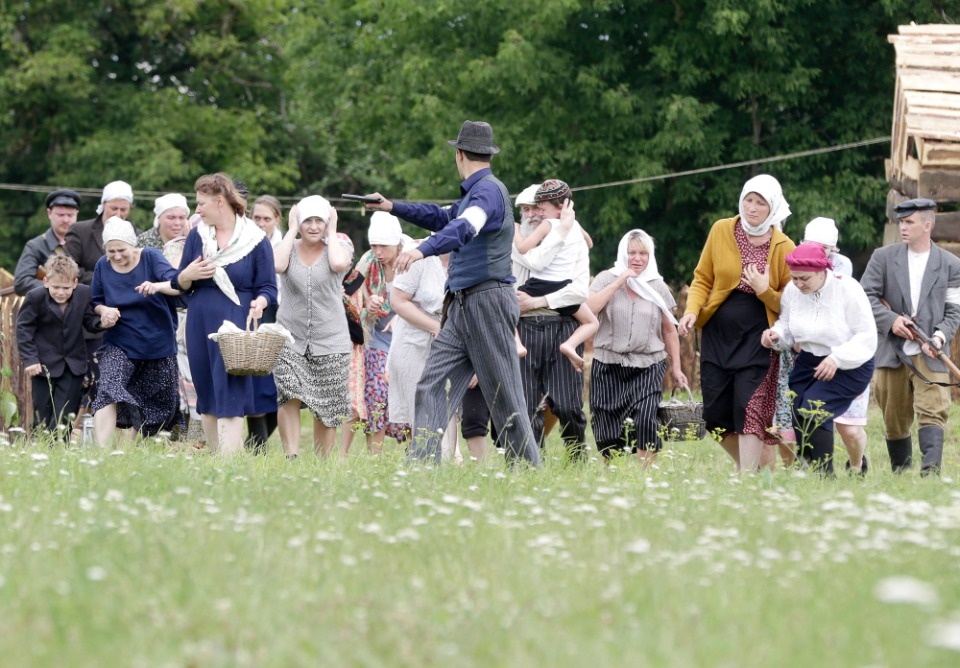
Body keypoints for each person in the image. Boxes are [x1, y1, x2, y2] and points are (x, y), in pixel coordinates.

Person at [363, 120, 540, 466]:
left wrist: (421, 249)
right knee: (431, 385)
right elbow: (441, 215)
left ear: (459, 154)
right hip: (460, 304)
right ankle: (422, 466)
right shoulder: (474, 193)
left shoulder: (489, 192)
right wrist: (391, 206)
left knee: (504, 393)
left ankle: (528, 469)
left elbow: (464, 227)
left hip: (488, 300)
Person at [677, 174, 795, 472]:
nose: (752, 208)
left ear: (773, 208)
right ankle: (755, 469)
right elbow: (702, 277)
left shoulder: (783, 246)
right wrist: (692, 310)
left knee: (748, 408)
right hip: (718, 332)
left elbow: (793, 303)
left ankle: (746, 480)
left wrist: (763, 290)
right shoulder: (721, 229)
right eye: (748, 200)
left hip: (760, 336)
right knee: (715, 415)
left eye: (760, 203)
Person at [172, 173, 278, 455]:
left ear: (220, 201)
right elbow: (179, 283)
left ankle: (229, 461)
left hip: (235, 318)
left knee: (230, 390)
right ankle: (215, 457)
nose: (197, 210)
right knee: (205, 391)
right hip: (199, 317)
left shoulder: (255, 240)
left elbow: (268, 287)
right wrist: (187, 275)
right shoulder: (197, 235)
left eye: (201, 203)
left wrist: (261, 302)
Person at [860, 198, 960, 475]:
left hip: (931, 351)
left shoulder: (951, 264)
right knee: (893, 416)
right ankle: (901, 474)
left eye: (909, 222)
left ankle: (930, 472)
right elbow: (864, 295)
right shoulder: (883, 257)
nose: (903, 227)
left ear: (927, 225)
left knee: (933, 409)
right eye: (901, 222)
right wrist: (891, 321)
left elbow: (954, 310)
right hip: (892, 352)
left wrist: (939, 338)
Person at [761, 243, 876, 474]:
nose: (798, 284)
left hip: (850, 362)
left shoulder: (848, 289)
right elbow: (787, 325)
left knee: (814, 410)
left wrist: (837, 359)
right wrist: (776, 335)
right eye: (794, 278)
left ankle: (826, 475)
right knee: (798, 413)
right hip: (809, 360)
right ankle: (810, 468)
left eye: (804, 278)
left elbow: (867, 335)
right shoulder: (793, 291)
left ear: (822, 271)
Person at [585, 230, 687, 463]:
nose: (637, 258)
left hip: (648, 363)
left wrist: (677, 368)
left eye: (643, 253)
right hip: (608, 362)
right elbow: (589, 308)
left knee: (647, 417)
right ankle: (611, 472)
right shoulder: (605, 278)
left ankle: (646, 477)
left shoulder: (657, 286)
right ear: (623, 254)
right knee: (606, 422)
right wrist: (621, 279)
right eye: (632, 253)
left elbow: (670, 330)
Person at [512, 179, 592, 459]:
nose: (534, 214)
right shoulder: (516, 239)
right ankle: (531, 463)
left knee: (568, 405)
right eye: (527, 209)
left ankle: (577, 459)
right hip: (525, 327)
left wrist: (540, 301)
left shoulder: (569, 235)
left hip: (562, 324)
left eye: (538, 207)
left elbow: (578, 290)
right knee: (527, 403)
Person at [90, 217, 182, 447]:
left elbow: (176, 283)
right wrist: (104, 311)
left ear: (133, 245)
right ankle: (101, 451)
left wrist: (156, 286)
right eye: (111, 251)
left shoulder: (150, 257)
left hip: (157, 342)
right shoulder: (103, 265)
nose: (117, 256)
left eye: (121, 250)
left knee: (154, 404)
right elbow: (96, 300)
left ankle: (128, 451)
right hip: (119, 341)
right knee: (108, 387)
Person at [273, 196, 352, 458]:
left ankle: (322, 462)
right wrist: (292, 229)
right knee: (288, 393)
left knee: (326, 406)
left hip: (331, 338)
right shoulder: (288, 247)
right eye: (308, 220)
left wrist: (332, 231)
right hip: (289, 336)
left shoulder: (339, 247)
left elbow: (339, 265)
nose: (314, 226)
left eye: (319, 220)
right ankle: (292, 456)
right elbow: (278, 265)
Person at [803, 216, 870, 473]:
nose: (818, 253)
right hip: (813, 356)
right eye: (812, 246)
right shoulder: (797, 264)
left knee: (850, 429)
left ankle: (856, 465)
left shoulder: (843, 268)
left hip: (847, 354)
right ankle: (822, 471)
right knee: (815, 416)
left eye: (824, 249)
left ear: (834, 250)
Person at [16, 255, 101, 437]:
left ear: (75, 283)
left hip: (73, 365)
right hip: (43, 365)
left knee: (64, 416)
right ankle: (41, 450)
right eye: (56, 287)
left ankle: (60, 448)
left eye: (66, 288)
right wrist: (30, 359)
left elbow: (88, 319)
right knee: (42, 416)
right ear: (45, 282)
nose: (60, 292)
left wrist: (101, 323)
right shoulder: (35, 297)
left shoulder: (84, 294)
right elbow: (24, 329)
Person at [353, 212, 409, 452]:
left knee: (409, 396)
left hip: (409, 337)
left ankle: (416, 454)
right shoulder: (366, 262)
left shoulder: (413, 259)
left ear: (397, 243)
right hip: (377, 337)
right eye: (373, 245)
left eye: (383, 246)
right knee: (376, 393)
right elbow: (350, 296)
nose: (378, 251)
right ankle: (374, 457)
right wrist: (368, 303)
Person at [245, 194, 284, 453]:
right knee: (257, 380)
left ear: (277, 220)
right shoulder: (244, 242)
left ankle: (255, 443)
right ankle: (256, 445)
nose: (260, 223)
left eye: (266, 219)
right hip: (257, 312)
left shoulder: (285, 244)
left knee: (279, 386)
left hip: (284, 315)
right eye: (256, 217)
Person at [14, 189, 82, 296]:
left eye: (70, 215)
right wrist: (56, 287)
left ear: (77, 214)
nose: (65, 220)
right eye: (60, 215)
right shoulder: (35, 246)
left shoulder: (85, 242)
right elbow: (21, 283)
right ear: (49, 213)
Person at [67, 180, 134, 285]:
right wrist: (105, 278)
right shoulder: (79, 231)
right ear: (103, 205)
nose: (118, 214)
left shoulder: (137, 235)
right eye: (114, 208)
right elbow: (69, 269)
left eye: (123, 209)